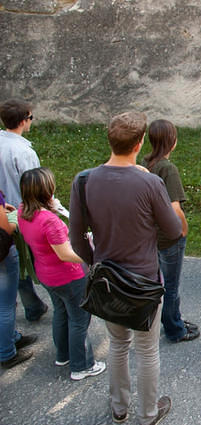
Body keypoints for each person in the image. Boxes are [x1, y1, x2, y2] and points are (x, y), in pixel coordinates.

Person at [70, 112, 182, 424]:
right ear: (139, 143)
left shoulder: (83, 181)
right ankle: (148, 414)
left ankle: (119, 408)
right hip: (144, 281)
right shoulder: (149, 182)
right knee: (147, 351)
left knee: (118, 345)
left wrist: (95, 263)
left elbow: (76, 236)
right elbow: (173, 231)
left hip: (107, 280)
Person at [18, 168, 106, 380]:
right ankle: (81, 365)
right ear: (47, 190)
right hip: (69, 277)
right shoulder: (49, 221)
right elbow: (66, 254)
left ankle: (63, 354)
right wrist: (92, 254)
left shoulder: (23, 211)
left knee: (61, 312)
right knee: (79, 319)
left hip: (46, 275)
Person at [142, 119, 199, 343]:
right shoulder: (168, 169)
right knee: (171, 286)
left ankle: (172, 319)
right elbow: (175, 208)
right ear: (171, 142)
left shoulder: (145, 163)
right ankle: (175, 329)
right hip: (168, 236)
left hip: (151, 234)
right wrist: (182, 230)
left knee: (159, 282)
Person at [0, 99, 48, 323]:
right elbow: (35, 185)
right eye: (30, 118)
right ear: (22, 121)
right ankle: (48, 297)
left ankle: (32, 304)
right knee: (35, 258)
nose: (31, 122)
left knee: (15, 259)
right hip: (23, 211)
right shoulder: (23, 151)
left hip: (4, 211)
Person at [0, 189, 37, 369]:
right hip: (3, 256)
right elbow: (5, 229)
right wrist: (14, 217)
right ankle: (7, 352)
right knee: (6, 305)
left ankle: (11, 337)